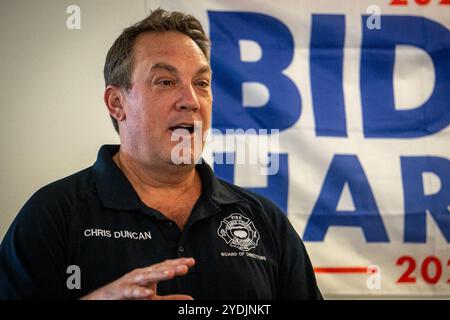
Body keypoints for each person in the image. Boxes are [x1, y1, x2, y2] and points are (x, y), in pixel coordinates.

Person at [0, 8, 322, 300]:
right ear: (117, 103)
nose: (192, 100)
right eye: (166, 81)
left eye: (202, 83)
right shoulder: (52, 215)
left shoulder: (264, 220)